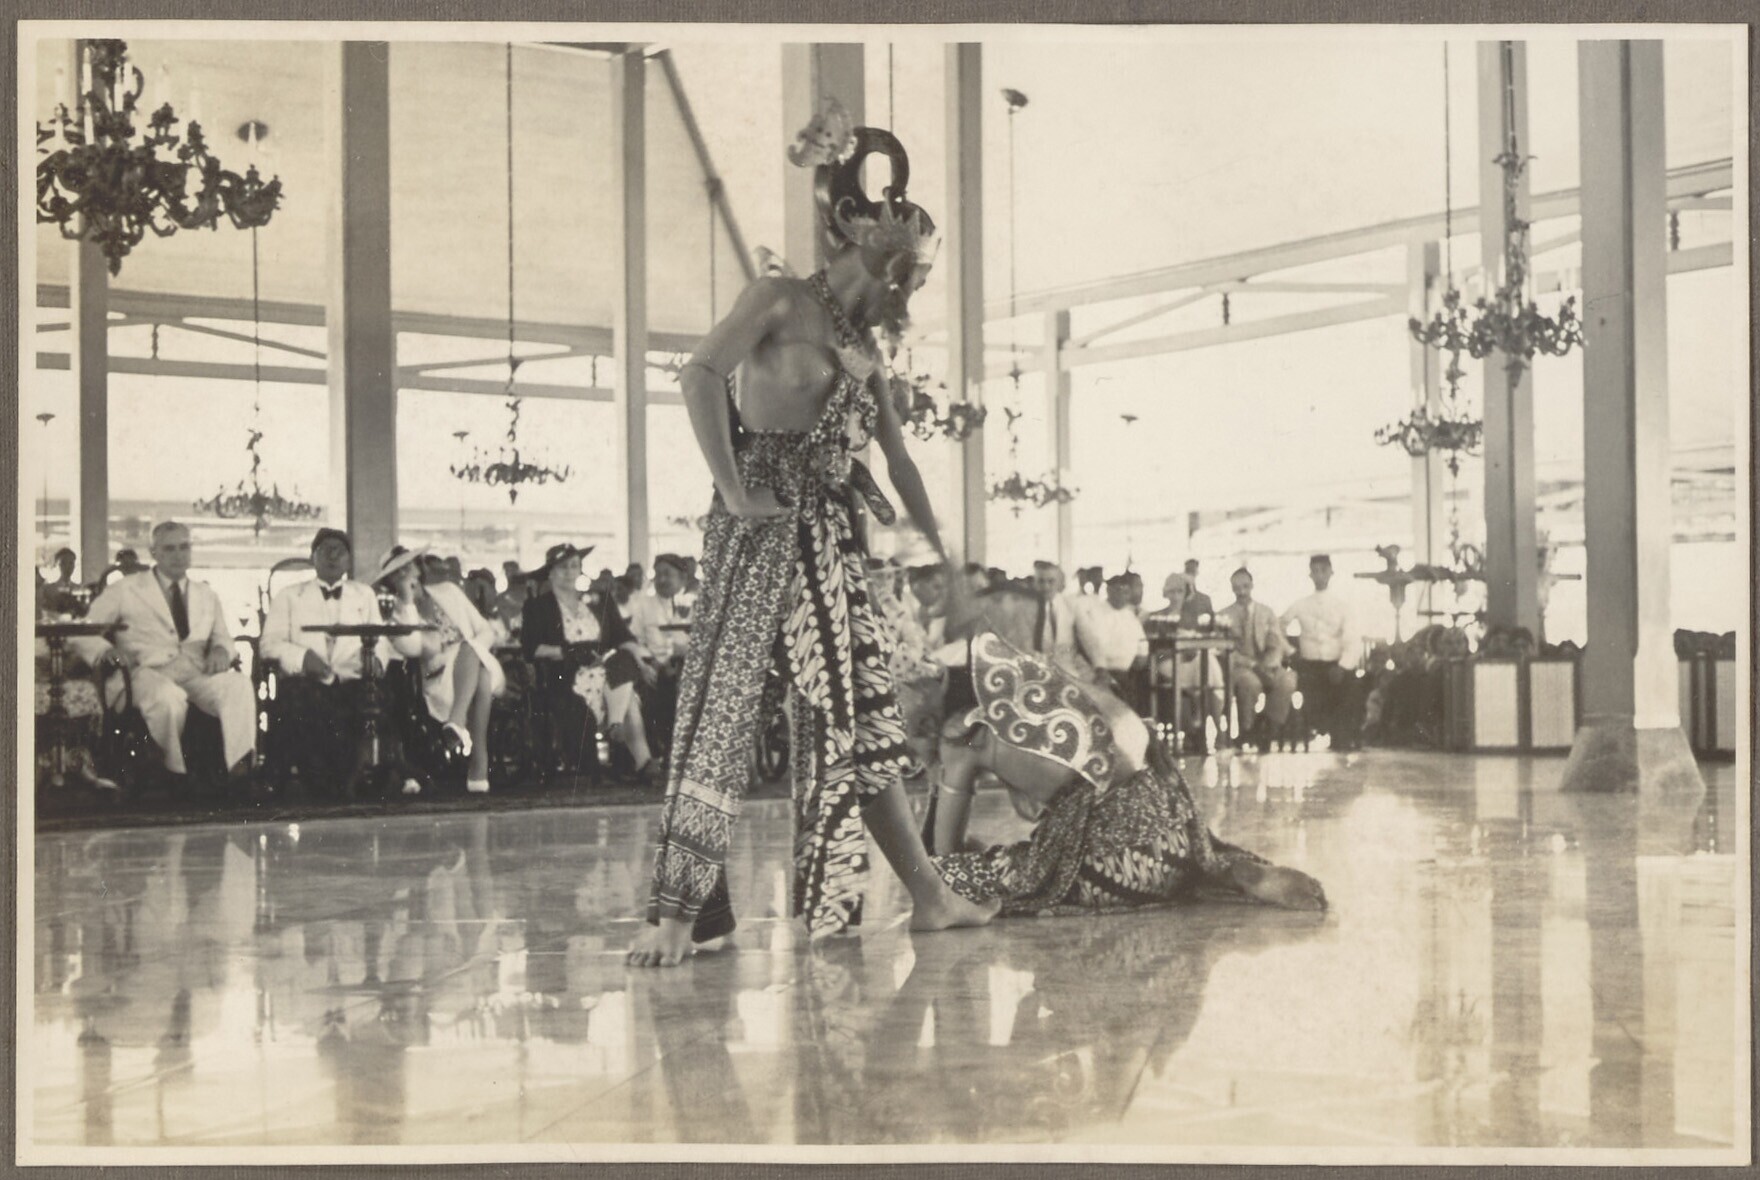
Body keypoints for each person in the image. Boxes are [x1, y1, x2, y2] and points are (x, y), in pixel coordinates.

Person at [629, 110, 998, 967]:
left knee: (860, 723)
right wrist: (734, 488)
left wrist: (947, 564)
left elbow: (898, 464)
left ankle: (931, 898)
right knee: (722, 711)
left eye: (917, 273)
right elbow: (698, 374)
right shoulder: (780, 298)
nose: (909, 287)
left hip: (833, 544)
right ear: (861, 238)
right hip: (758, 534)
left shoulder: (867, 348)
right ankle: (683, 916)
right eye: (905, 267)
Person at [917, 627, 1327, 916]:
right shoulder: (1055, 686)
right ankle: (1231, 875)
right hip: (1178, 846)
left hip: (1112, 869)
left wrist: (958, 839)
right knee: (1179, 859)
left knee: (951, 873)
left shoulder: (961, 733)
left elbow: (943, 851)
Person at [72, 521, 257, 782]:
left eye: (184, 547)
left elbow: (223, 637)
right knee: (168, 698)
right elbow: (82, 631)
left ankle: (240, 770)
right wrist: (106, 651)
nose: (178, 555)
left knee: (238, 685)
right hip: (145, 673)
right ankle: (173, 773)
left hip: (195, 672)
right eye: (169, 549)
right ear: (154, 553)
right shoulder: (126, 589)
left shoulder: (206, 594)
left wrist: (221, 650)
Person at [259, 527, 421, 796]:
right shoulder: (289, 596)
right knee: (298, 699)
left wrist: (376, 662)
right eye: (326, 550)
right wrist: (302, 657)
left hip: (352, 678)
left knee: (379, 695)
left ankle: (373, 774)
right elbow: (269, 644)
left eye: (340, 551)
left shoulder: (364, 595)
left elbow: (379, 639)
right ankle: (300, 780)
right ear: (313, 557)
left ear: (349, 561)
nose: (333, 556)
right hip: (307, 681)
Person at [522, 543, 658, 783]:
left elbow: (624, 637)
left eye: (574, 566)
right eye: (562, 567)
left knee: (624, 662)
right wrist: (570, 652)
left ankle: (616, 725)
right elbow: (532, 649)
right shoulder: (539, 606)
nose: (569, 572)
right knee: (628, 696)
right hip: (567, 673)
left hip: (607, 668)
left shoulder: (598, 600)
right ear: (550, 573)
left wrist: (641, 661)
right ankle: (641, 758)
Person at [378, 544, 505, 794]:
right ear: (390, 582)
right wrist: (407, 601)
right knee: (480, 675)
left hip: (476, 659)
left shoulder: (448, 591)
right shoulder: (396, 614)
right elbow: (413, 647)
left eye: (408, 567)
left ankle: (457, 722)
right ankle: (479, 760)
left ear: (419, 568)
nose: (406, 575)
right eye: (398, 573)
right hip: (439, 680)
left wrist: (471, 651)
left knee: (470, 650)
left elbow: (485, 630)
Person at [1281, 554, 1363, 750]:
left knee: (1350, 687)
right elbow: (1278, 627)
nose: (1319, 575)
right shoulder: (1300, 604)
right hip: (1309, 666)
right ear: (1310, 574)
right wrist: (1290, 652)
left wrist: (1343, 666)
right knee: (1312, 695)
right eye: (1315, 571)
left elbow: (1352, 639)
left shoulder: (1342, 606)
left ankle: (1342, 738)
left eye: (1323, 570)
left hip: (1336, 665)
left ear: (1331, 573)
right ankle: (1319, 728)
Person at [1216, 567, 1297, 745]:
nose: (1242, 592)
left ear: (1252, 585)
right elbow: (1224, 650)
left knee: (1287, 680)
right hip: (1240, 667)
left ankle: (1268, 727)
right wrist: (1252, 665)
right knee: (1249, 684)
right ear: (1232, 588)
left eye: (1245, 586)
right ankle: (1247, 729)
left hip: (1267, 663)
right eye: (1237, 588)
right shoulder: (1223, 615)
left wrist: (1270, 665)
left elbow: (1276, 641)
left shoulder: (1266, 612)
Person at [1074, 574, 1149, 701]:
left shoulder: (1131, 617)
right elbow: (1090, 643)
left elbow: (1142, 650)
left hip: (1125, 675)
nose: (1122, 595)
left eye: (1126, 592)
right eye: (1118, 590)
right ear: (1109, 590)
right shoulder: (1094, 612)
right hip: (1099, 674)